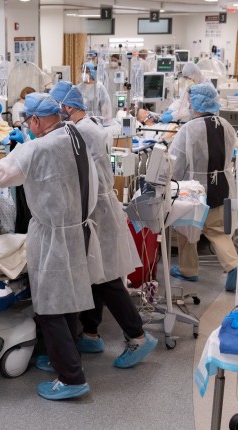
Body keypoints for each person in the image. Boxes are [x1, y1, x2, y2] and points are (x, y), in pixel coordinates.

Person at [0, 92, 102, 400]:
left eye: (27, 122)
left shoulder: (37, 148)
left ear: (34, 120)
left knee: (50, 307)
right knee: (67, 299)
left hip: (52, 235)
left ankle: (71, 377)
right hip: (77, 228)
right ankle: (66, 357)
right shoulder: (73, 133)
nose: (27, 127)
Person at [49, 81, 157, 365]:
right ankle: (91, 332)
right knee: (94, 273)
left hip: (98, 211)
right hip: (97, 207)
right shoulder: (88, 125)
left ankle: (138, 336)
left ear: (66, 107)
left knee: (107, 278)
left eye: (53, 110)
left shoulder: (80, 131)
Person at [168, 82, 238, 291]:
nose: (189, 106)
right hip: (221, 187)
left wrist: (169, 184)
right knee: (217, 231)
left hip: (193, 190)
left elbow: (175, 162)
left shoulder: (189, 129)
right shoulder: (226, 125)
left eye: (190, 102)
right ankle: (233, 266)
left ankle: (188, 270)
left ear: (197, 103)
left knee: (186, 230)